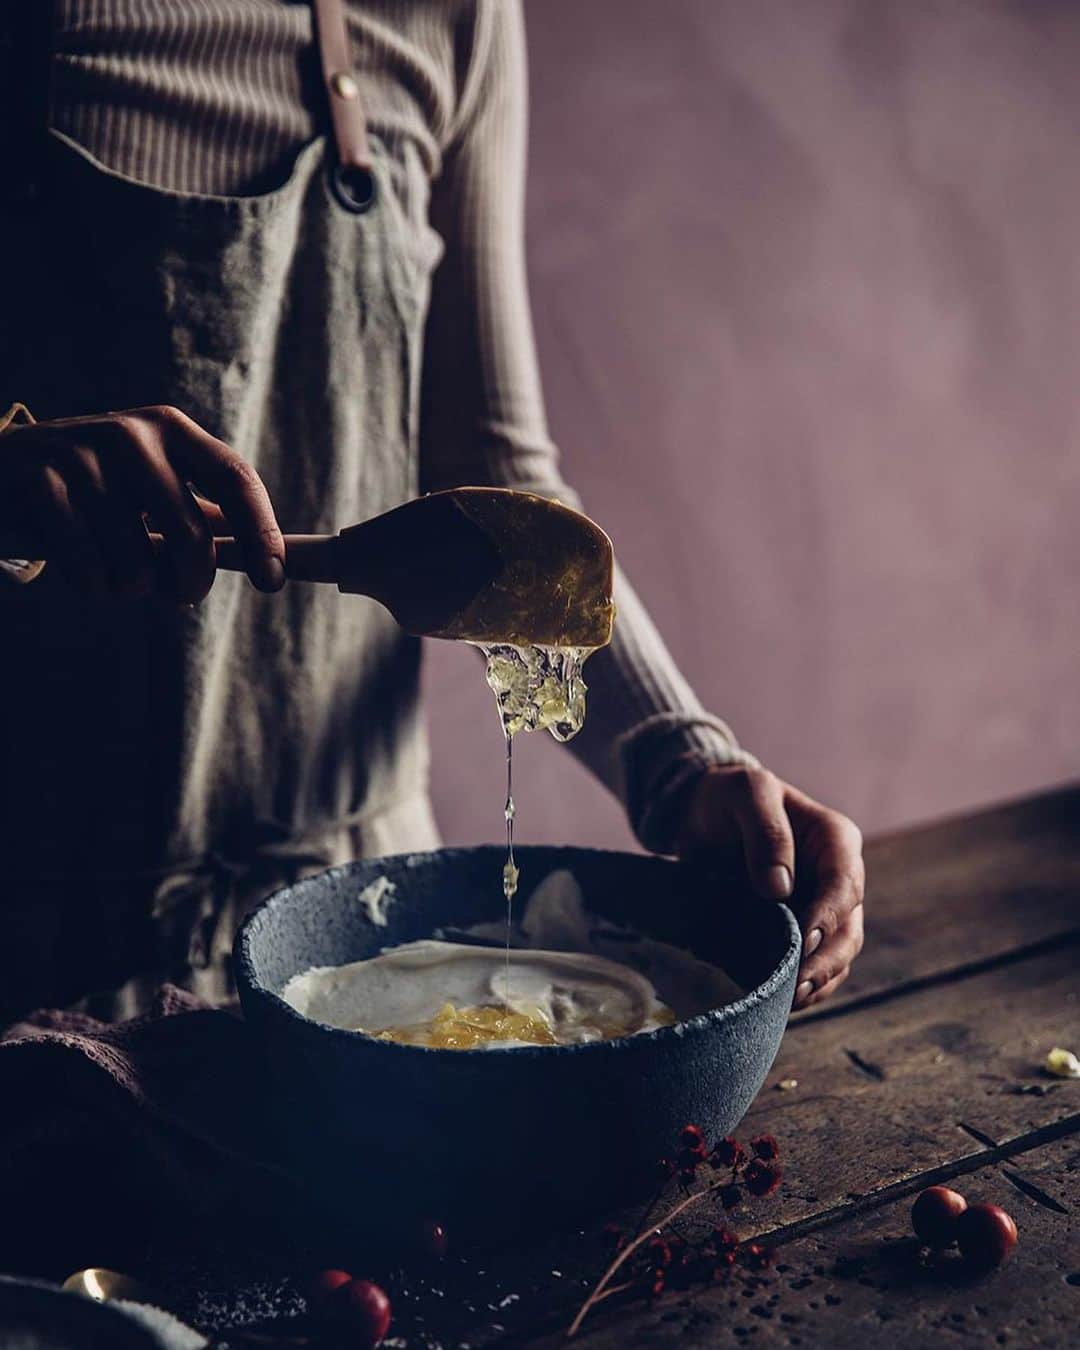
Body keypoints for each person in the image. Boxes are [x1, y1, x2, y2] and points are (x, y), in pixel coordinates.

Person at [0, 0, 863, 1021]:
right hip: (34, 941)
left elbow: (492, 475)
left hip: (365, 926)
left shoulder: (456, 15)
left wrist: (687, 763)